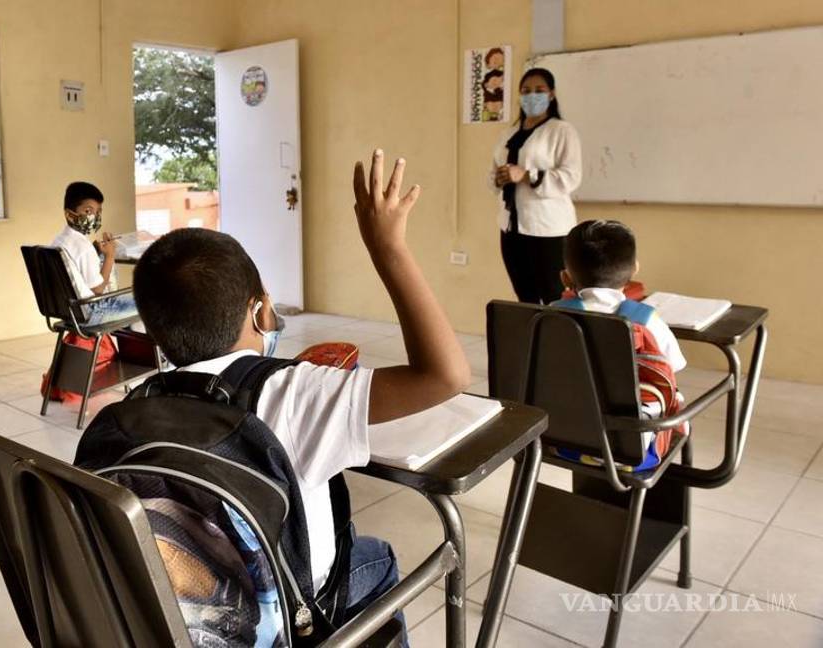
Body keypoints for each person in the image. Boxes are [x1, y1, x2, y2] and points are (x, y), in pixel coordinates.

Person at [131, 150, 471, 634]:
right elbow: (446, 376)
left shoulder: (137, 404)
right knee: (374, 558)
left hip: (178, 619)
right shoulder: (293, 391)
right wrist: (387, 248)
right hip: (284, 624)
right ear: (259, 313)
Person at [551, 219, 687, 470]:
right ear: (635, 269)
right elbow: (675, 366)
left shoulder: (550, 318)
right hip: (633, 452)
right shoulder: (646, 320)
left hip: (562, 440)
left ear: (565, 277)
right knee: (676, 397)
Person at [491, 67, 583, 304]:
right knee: (525, 294)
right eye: (526, 91)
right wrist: (498, 178)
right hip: (511, 227)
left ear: (551, 94)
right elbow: (493, 171)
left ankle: (555, 340)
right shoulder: (508, 133)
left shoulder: (562, 131)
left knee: (554, 294)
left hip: (548, 229)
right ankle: (531, 339)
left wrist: (526, 175)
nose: (531, 96)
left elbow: (571, 177)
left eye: (539, 90)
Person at [50, 181, 139, 326]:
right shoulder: (83, 247)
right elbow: (98, 290)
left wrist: (95, 251)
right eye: (88, 211)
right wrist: (110, 255)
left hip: (70, 312)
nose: (94, 216)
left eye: (98, 212)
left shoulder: (60, 240)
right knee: (148, 302)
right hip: (92, 311)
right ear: (70, 215)